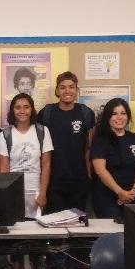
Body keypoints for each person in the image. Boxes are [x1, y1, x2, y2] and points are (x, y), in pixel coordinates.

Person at [36, 71, 95, 213]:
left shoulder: (86, 113)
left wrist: (89, 176)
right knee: (55, 227)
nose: (67, 91)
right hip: (53, 182)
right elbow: (39, 148)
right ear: (57, 91)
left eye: (71, 87)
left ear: (77, 90)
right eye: (62, 87)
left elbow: (89, 147)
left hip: (79, 181)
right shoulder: (46, 113)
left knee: (77, 225)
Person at [0, 93, 53, 217]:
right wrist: (5, 195)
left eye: (26, 107)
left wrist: (43, 193)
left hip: (36, 191)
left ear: (32, 109)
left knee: (35, 232)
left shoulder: (43, 131)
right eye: (18, 107)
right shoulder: (5, 135)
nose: (22, 111)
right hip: (13, 192)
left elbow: (46, 165)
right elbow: (4, 169)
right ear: (13, 110)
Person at [90, 98, 135, 221]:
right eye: (114, 114)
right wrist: (120, 192)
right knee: (114, 235)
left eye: (123, 113)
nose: (119, 117)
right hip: (107, 197)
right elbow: (100, 171)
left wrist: (134, 192)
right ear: (107, 117)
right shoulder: (100, 140)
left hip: (133, 197)